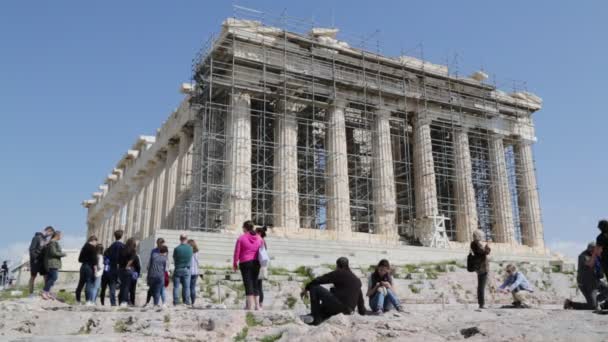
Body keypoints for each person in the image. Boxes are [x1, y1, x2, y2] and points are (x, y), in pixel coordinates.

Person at [300, 257, 366, 325]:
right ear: (347, 265)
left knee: (314, 287)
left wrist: (307, 287)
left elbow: (320, 280)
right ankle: (317, 317)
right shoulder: (356, 280)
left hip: (340, 306)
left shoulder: (339, 272)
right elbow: (360, 299)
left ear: (337, 265)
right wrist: (362, 312)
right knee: (326, 306)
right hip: (349, 310)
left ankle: (314, 316)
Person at [564, 243, 606, 310]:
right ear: (592, 250)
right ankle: (570, 304)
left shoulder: (597, 256)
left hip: (595, 281)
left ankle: (596, 301)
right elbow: (590, 264)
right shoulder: (583, 256)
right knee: (592, 307)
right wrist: (595, 254)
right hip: (586, 284)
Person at [233, 221, 263, 310]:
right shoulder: (259, 238)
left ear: (245, 228)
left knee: (248, 283)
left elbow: (237, 252)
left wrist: (235, 263)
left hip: (245, 262)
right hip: (256, 262)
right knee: (255, 283)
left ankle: (249, 306)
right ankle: (257, 306)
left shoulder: (241, 238)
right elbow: (262, 250)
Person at [28, 226, 55, 296]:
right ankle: (30, 293)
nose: (49, 236)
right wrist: (35, 259)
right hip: (35, 261)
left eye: (50, 235)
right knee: (33, 277)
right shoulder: (36, 237)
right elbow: (31, 249)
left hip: (43, 261)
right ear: (47, 231)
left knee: (46, 276)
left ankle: (46, 292)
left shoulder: (45, 239)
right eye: (49, 234)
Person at [102, 230, 125, 306]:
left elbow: (105, 255)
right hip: (120, 269)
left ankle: (113, 303)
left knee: (112, 287)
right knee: (124, 286)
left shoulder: (111, 246)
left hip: (112, 269)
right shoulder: (122, 246)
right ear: (122, 236)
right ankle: (122, 302)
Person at [41, 231, 66, 300]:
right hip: (52, 263)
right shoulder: (53, 242)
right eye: (60, 235)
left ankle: (47, 292)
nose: (61, 237)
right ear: (57, 235)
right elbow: (53, 252)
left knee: (50, 278)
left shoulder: (52, 242)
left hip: (52, 263)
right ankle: (45, 291)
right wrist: (63, 254)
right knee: (54, 277)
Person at [471, 229, 491, 309]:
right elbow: (485, 252)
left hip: (479, 266)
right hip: (482, 267)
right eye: (482, 235)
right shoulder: (476, 243)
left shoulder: (473, 243)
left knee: (480, 286)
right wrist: (488, 245)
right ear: (478, 236)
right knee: (481, 286)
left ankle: (481, 303)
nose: (483, 237)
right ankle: (482, 304)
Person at [145, 238, 168, 306]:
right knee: (154, 289)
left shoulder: (163, 251)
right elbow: (151, 261)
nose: (163, 245)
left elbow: (165, 264)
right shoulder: (154, 251)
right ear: (158, 243)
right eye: (162, 243)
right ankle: (151, 302)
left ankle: (162, 302)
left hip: (158, 273)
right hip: (157, 272)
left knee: (160, 288)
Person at [76, 235, 98, 305]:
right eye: (96, 242)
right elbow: (94, 261)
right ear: (93, 241)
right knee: (89, 283)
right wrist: (96, 270)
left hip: (83, 266)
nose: (96, 244)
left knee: (81, 283)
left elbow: (79, 259)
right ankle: (88, 301)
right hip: (89, 267)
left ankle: (78, 300)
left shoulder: (84, 247)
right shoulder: (93, 248)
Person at [117, 238, 139, 307]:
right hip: (128, 270)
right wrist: (127, 266)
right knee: (126, 287)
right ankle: (124, 301)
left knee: (123, 286)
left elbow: (118, 260)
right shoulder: (133, 251)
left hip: (121, 270)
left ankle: (121, 301)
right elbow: (131, 260)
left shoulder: (122, 250)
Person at [173, 234, 193, 305]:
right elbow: (190, 258)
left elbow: (174, 258)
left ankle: (176, 301)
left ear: (180, 239)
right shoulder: (190, 248)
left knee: (176, 287)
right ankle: (187, 301)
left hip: (178, 268)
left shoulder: (176, 249)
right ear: (186, 239)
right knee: (187, 287)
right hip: (186, 269)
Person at [255, 226, 268, 309]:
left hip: (258, 264)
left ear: (259, 233)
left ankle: (258, 303)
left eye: (256, 232)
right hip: (262, 264)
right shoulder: (263, 241)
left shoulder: (260, 240)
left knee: (257, 285)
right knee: (259, 285)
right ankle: (260, 303)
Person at [187, 239, 200, 305]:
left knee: (188, 287)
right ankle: (193, 302)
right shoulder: (197, 253)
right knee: (193, 287)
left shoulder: (188, 253)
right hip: (196, 272)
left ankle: (187, 301)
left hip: (189, 271)